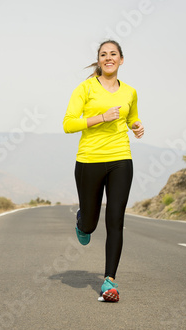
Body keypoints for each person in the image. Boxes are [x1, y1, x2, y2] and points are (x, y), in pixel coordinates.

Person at [63, 40, 144, 302]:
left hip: (121, 159)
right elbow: (68, 124)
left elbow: (131, 117)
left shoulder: (130, 92)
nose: (108, 58)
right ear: (98, 61)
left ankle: (109, 281)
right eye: (103, 55)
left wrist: (137, 126)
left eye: (113, 54)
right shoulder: (85, 89)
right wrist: (101, 118)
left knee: (116, 220)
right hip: (89, 160)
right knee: (91, 224)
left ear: (121, 60)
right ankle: (82, 221)